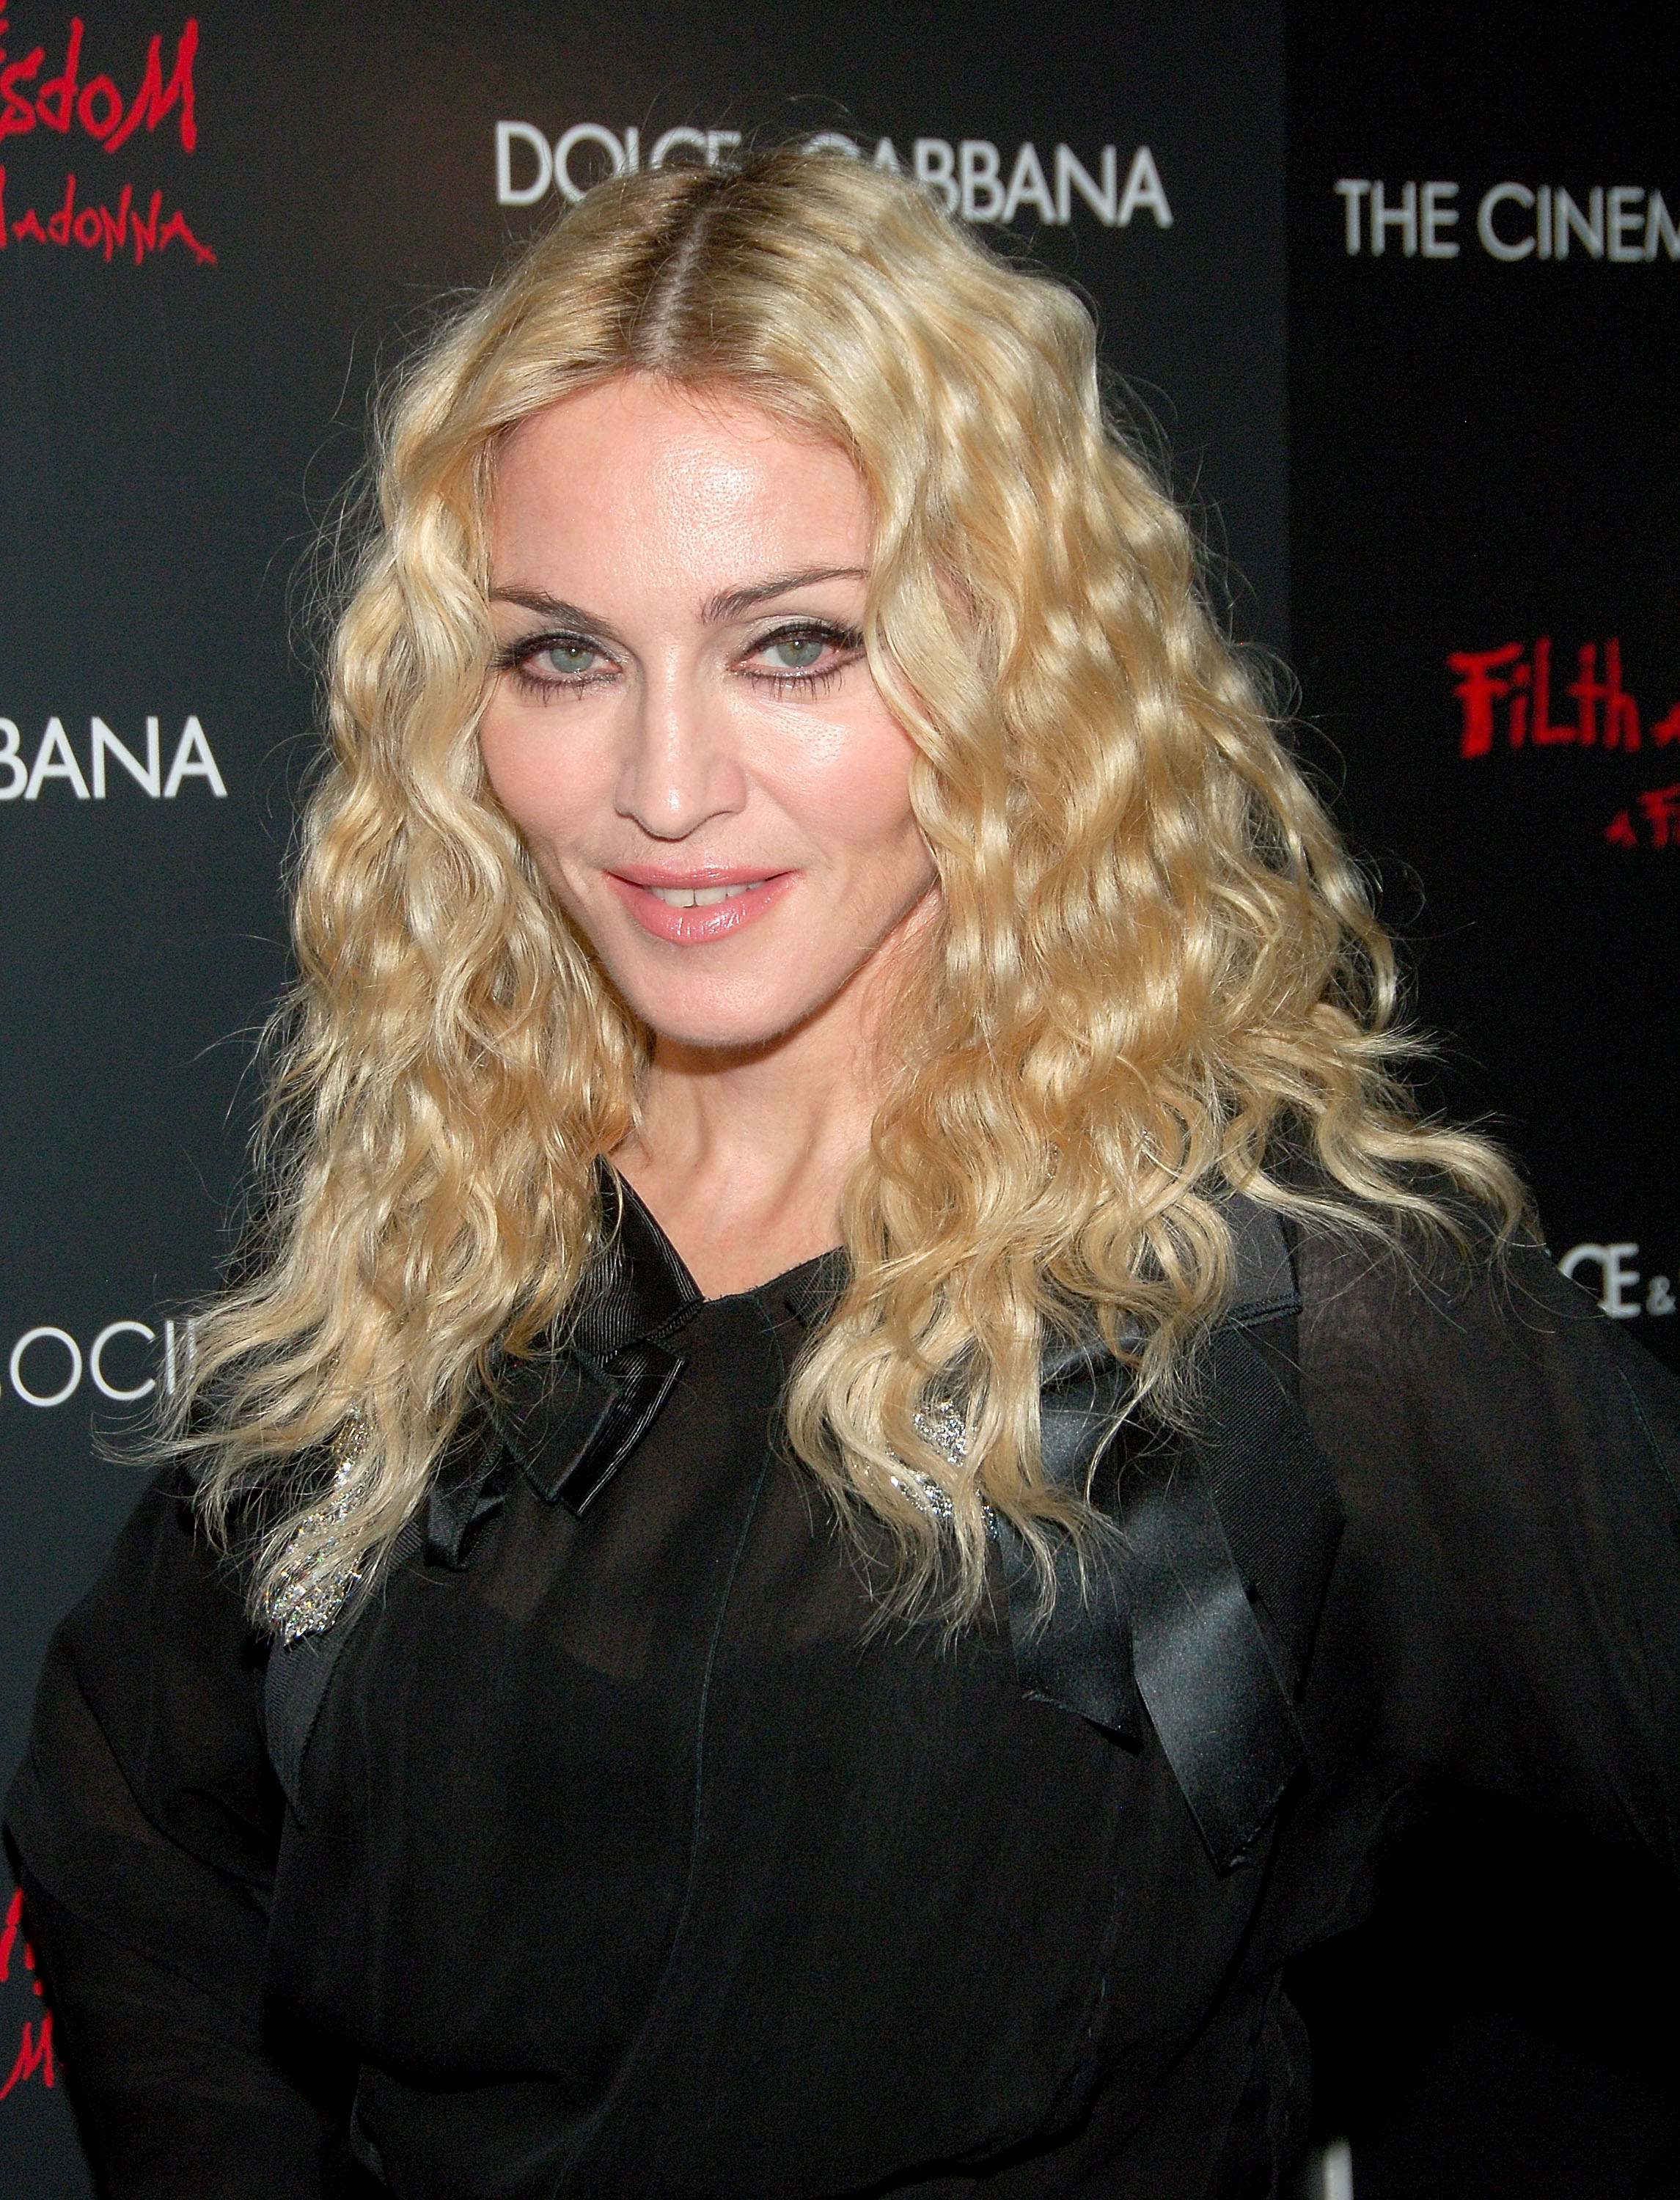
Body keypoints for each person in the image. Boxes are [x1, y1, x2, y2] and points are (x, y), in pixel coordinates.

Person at [7, 145, 1679, 2200]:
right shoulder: (424, 1261)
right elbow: (127, 1822)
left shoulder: (1294, 1323)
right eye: (561, 656)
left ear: (1006, 655)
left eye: (793, 643)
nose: (664, 785)